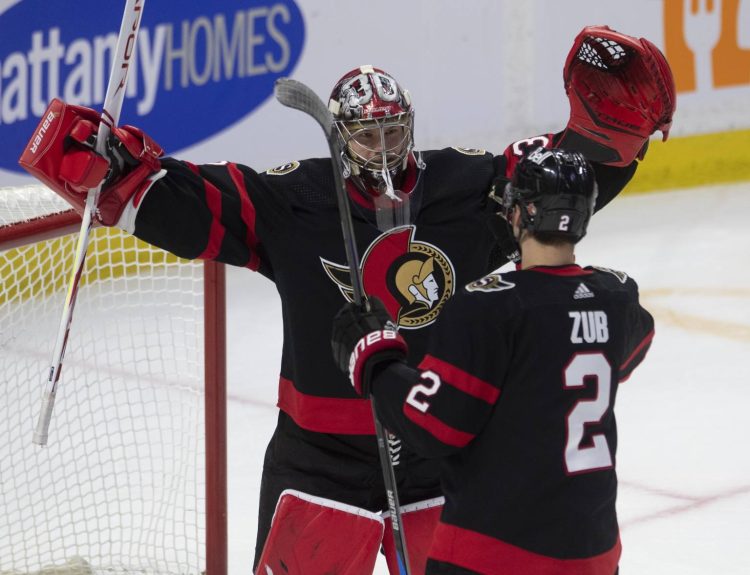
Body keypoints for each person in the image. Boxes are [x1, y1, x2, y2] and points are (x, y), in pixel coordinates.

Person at [19, 25, 673, 575]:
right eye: (368, 137)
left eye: (394, 133)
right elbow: (199, 204)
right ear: (340, 138)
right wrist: (120, 175)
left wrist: (614, 130)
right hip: (319, 463)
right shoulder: (296, 200)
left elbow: (551, 181)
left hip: (438, 454)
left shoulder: (464, 188)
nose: (384, 150)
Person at [331, 147, 655, 574]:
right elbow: (622, 346)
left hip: (496, 552)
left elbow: (434, 426)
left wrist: (376, 361)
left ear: (520, 214)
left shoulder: (489, 307)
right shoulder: (616, 296)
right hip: (593, 551)